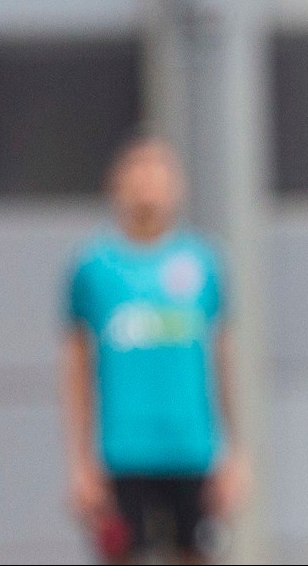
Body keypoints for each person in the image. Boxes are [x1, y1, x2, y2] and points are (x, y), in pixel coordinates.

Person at [60, 135, 250, 565]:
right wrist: (80, 464)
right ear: (116, 184)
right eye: (137, 170)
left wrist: (234, 453)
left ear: (176, 186)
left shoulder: (203, 264)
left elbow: (222, 361)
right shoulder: (93, 268)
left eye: (158, 171)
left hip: (193, 451)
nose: (147, 182)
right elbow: (76, 367)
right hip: (122, 455)